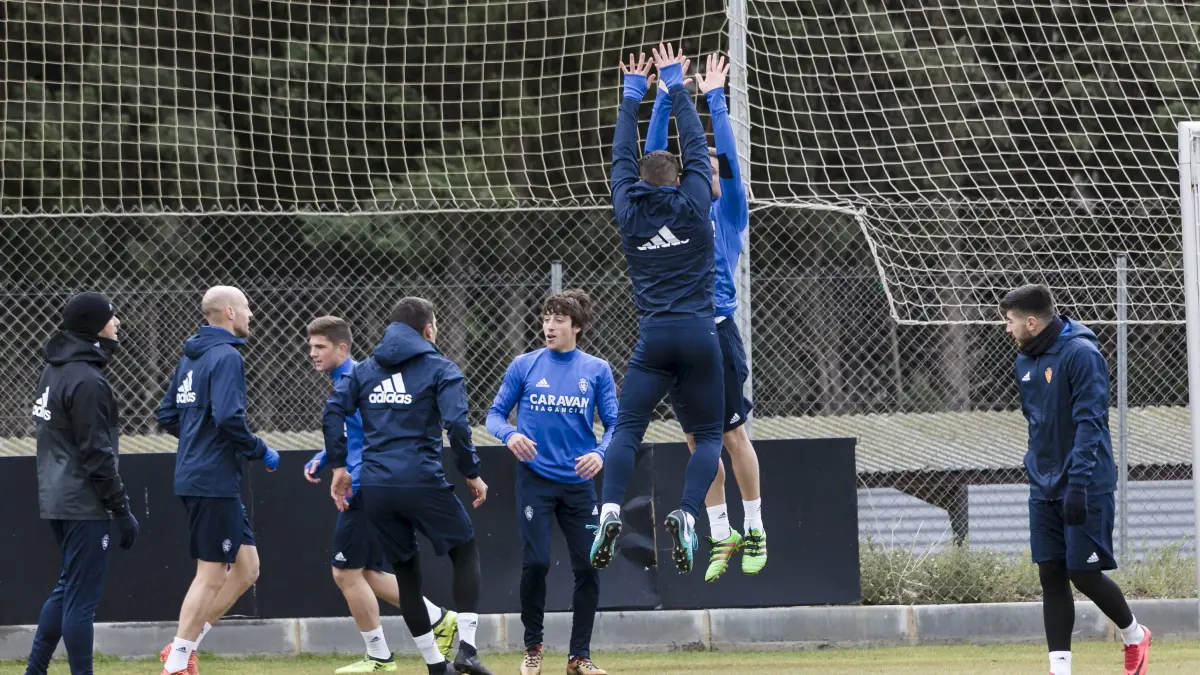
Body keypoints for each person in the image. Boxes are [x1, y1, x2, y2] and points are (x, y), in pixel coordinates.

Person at [591, 44, 724, 576]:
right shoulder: (694, 202)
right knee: (708, 437)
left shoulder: (628, 207)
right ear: (679, 178)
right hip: (699, 335)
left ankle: (607, 510)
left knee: (626, 430)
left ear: (639, 181)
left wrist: (632, 94)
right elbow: (694, 144)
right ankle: (688, 515)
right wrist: (676, 85)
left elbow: (621, 155)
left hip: (654, 337)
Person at [644, 53, 766, 581]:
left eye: (713, 167)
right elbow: (653, 160)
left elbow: (729, 162)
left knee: (733, 436)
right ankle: (722, 533)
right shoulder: (671, 209)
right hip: (678, 334)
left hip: (716, 332)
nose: (708, 169)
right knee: (697, 442)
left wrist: (714, 97)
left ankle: (754, 526)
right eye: (701, 166)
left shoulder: (727, 212)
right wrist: (664, 95)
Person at [323, 297, 492, 675]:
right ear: (429, 330)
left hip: (377, 488)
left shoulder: (365, 370)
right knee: (465, 550)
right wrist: (471, 472)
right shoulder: (441, 368)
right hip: (422, 481)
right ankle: (467, 649)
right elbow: (457, 425)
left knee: (406, 574)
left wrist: (338, 467)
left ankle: (435, 665)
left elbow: (333, 410)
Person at [1000, 284, 1152, 675]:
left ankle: (1135, 635)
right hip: (1043, 485)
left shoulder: (1081, 354)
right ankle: (1060, 669)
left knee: (1082, 572)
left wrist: (1078, 484)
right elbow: (1037, 424)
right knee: (1050, 572)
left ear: (1031, 322)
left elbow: (1090, 422)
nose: (1007, 328)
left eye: (1011, 321)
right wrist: (1036, 469)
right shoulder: (1025, 360)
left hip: (1085, 483)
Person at [302, 316, 459, 673]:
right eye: (310, 346)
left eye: (320, 346)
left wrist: (351, 477)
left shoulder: (356, 380)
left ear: (343, 348)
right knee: (368, 572)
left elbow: (376, 435)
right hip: (371, 483)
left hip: (364, 487)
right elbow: (352, 434)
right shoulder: (351, 379)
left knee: (345, 573)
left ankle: (380, 656)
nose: (312, 353)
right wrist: (324, 457)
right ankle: (439, 618)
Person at [485, 289, 618, 675]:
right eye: (546, 318)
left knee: (589, 567)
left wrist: (600, 453)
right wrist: (510, 435)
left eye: (559, 319)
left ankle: (579, 657)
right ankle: (533, 648)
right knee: (537, 562)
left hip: (579, 484)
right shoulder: (524, 365)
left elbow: (616, 425)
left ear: (576, 327)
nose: (549, 326)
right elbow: (494, 415)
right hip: (535, 481)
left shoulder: (597, 370)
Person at [156, 286, 280, 675]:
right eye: (246, 307)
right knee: (211, 574)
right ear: (229, 312)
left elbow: (167, 414)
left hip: (199, 475)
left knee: (247, 569)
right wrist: (260, 449)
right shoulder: (227, 356)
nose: (251, 314)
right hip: (212, 479)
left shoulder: (190, 357)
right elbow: (228, 418)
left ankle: (183, 646)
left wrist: (198, 440)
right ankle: (177, 663)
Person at [24, 292, 139, 675]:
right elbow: (96, 453)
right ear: (93, 326)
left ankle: (35, 670)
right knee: (81, 601)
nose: (117, 322)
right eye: (111, 316)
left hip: (57, 497)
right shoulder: (88, 380)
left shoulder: (54, 370)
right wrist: (120, 508)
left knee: (67, 588)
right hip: (84, 502)